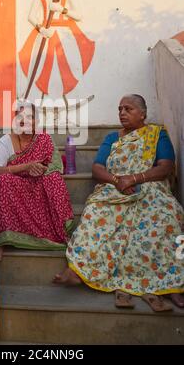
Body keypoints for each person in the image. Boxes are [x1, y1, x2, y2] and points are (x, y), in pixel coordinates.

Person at [54, 94, 184, 312]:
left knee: (168, 215)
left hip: (149, 184)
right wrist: (117, 181)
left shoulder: (156, 134)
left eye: (128, 109)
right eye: (120, 109)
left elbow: (166, 166)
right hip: (114, 187)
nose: (122, 113)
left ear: (143, 114)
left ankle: (173, 282)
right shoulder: (112, 138)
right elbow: (97, 168)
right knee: (94, 212)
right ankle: (80, 270)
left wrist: (134, 179)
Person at [0, 102, 75, 261]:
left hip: (38, 187)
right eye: (20, 117)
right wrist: (26, 167)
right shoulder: (6, 141)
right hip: (16, 189)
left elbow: (56, 165)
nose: (25, 121)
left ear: (37, 121)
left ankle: (57, 231)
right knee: (2, 181)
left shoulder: (44, 139)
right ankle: (1, 240)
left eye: (30, 117)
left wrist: (41, 170)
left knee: (54, 178)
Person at [19, 0, 95, 103]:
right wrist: (42, 29)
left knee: (69, 67)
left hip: (66, 36)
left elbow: (78, 15)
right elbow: (31, 16)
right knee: (42, 67)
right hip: (46, 33)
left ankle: (73, 98)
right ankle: (36, 98)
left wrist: (62, 9)